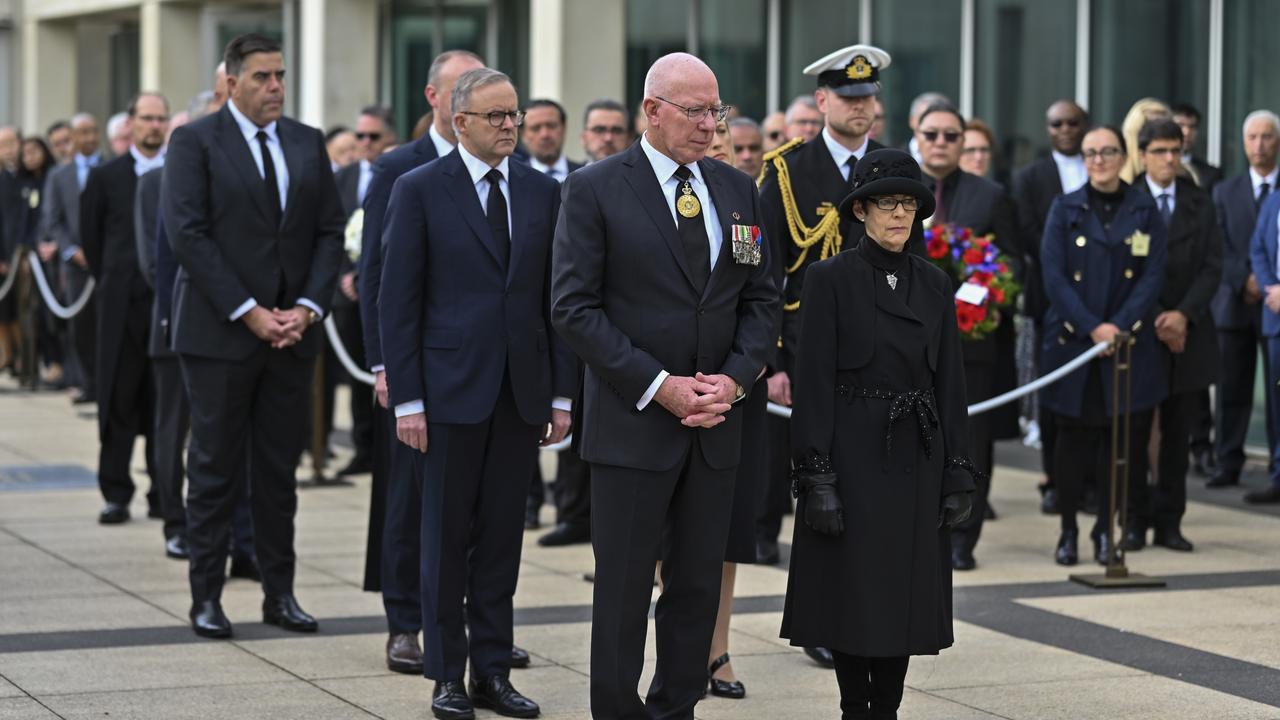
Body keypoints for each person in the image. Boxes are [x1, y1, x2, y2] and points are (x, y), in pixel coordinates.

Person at [551, 52, 779, 719]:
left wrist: (733, 381)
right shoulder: (594, 188)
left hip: (715, 424)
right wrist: (659, 385)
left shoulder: (738, 189)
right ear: (651, 111)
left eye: (717, 111)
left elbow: (762, 298)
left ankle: (678, 705)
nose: (710, 126)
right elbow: (573, 308)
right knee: (622, 590)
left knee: (696, 586)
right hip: (634, 424)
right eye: (695, 111)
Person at [380, 66, 573, 720]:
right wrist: (407, 400)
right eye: (496, 116)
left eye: (514, 114)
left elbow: (556, 302)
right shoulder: (419, 189)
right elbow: (397, 302)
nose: (511, 126)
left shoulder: (543, 191)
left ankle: (494, 670)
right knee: (443, 539)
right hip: (447, 395)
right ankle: (448, 676)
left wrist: (561, 396)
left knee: (500, 540)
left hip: (519, 395)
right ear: (460, 122)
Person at [783, 147, 977, 720]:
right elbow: (812, 382)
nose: (900, 215)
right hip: (852, 453)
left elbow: (953, 385)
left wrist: (958, 470)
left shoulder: (936, 284)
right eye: (887, 203)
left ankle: (886, 710)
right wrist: (815, 475)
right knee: (852, 590)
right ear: (861, 210)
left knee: (904, 592)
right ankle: (854, 707)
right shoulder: (829, 279)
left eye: (910, 204)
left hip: (917, 452)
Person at [162, 33, 345, 638]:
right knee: (213, 468)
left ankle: (279, 592)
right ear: (232, 82)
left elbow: (327, 231)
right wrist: (250, 311)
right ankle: (206, 596)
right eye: (263, 76)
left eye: (281, 75)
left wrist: (309, 307)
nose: (276, 87)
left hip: (292, 336)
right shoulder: (194, 141)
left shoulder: (305, 141)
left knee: (277, 472)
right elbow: (189, 235)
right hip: (220, 336)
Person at [356, 49, 515, 677]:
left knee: (493, 523)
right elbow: (381, 277)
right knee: (414, 508)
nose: (506, 123)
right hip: (427, 373)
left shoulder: (519, 178)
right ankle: (408, 625)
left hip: (500, 384)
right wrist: (385, 367)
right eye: (485, 107)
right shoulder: (404, 170)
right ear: (445, 104)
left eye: (510, 110)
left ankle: (485, 644)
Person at [757, 43, 890, 668]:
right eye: (849, 98)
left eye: (868, 98)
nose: (861, 108)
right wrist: (775, 363)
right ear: (823, 101)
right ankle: (818, 616)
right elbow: (764, 278)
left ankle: (863, 610)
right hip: (807, 354)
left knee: (870, 490)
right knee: (817, 490)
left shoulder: (894, 166)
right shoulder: (786, 171)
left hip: (881, 360)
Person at [1040, 125, 1168, 565]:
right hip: (1075, 344)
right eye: (1091, 153)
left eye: (1108, 151)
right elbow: (1054, 277)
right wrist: (1094, 327)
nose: (1099, 160)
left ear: (1122, 155)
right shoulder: (1065, 207)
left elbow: (1152, 277)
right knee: (1071, 443)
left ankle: (1101, 531)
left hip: (1125, 346)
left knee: (1116, 446)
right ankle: (1069, 531)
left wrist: (1119, 326)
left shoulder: (1144, 209)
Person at [913, 103, 1019, 570]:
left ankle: (963, 539)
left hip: (972, 344)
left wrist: (985, 294)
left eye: (950, 136)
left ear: (962, 142)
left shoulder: (990, 195)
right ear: (916, 136)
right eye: (931, 134)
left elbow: (1014, 265)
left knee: (972, 443)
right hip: (910, 342)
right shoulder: (898, 188)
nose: (940, 143)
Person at [1122, 118, 1221, 553]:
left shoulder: (1200, 201)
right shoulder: (1127, 201)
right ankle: (1133, 522)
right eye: (1159, 151)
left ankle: (1170, 521)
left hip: (1189, 330)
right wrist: (1161, 316)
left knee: (1179, 434)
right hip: (1144, 330)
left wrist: (1182, 315)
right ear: (1142, 155)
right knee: (1136, 431)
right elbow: (1126, 272)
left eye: (1175, 151)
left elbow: (1213, 265)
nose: (1169, 159)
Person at [80, 92, 169, 526]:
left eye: (160, 119)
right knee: (117, 397)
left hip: (165, 306)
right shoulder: (106, 176)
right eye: (146, 118)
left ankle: (163, 490)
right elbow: (92, 239)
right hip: (119, 306)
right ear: (131, 124)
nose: (154, 126)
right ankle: (115, 492)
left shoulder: (179, 172)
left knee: (162, 403)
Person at [1011, 99, 1089, 514]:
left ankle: (1089, 482)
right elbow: (1027, 234)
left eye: (1073, 122)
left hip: (1098, 301)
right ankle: (1055, 479)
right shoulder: (1030, 177)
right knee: (1053, 394)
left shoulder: (1100, 167)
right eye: (1057, 123)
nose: (1065, 130)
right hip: (1049, 300)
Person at [1209, 110, 1279, 491]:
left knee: (1275, 391)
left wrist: (1268, 284)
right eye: (1253, 137)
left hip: (1276, 306)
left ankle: (1276, 467)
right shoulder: (1224, 191)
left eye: (1267, 137)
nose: (1260, 145)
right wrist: (1246, 279)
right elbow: (1218, 243)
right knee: (1232, 388)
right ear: (1242, 143)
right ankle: (1228, 461)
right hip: (1235, 303)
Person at [329, 105, 396, 478]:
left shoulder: (401, 170)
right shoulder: (344, 177)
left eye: (373, 136)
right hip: (348, 293)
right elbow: (330, 229)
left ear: (388, 137)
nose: (365, 143)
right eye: (360, 136)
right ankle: (361, 446)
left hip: (385, 289)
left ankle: (386, 443)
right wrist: (345, 275)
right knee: (357, 372)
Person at [38, 113, 101, 403]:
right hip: (75, 265)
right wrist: (72, 251)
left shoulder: (110, 166)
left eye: (92, 132)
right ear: (72, 139)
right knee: (80, 327)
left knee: (107, 324)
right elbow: (53, 220)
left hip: (105, 262)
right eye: (82, 133)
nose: (88, 138)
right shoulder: (59, 176)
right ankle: (87, 382)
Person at [1248, 170, 1280, 505]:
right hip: (1276, 318)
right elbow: (1257, 248)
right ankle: (1278, 475)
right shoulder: (1273, 201)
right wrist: (1273, 288)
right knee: (1276, 404)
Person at [522, 98, 584, 181]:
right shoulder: (513, 180)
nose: (545, 135)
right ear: (523, 134)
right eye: (535, 128)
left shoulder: (585, 176)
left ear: (564, 128)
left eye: (551, 126)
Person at [1172, 103, 1222, 192]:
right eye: (1180, 125)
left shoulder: (1212, 174)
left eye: (1192, 127)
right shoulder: (1153, 168)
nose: (1186, 132)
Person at [1120, 98, 1171, 183]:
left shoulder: (1186, 176)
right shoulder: (1116, 172)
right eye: (1151, 130)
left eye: (1166, 129)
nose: (1160, 136)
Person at [906, 92, 952, 165]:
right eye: (925, 117)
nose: (934, 124)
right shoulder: (893, 157)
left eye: (939, 119)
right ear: (912, 121)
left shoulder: (959, 158)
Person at [580, 98, 630, 163]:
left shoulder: (643, 173)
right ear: (584, 138)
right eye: (599, 130)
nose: (608, 138)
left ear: (628, 138)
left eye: (616, 131)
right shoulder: (569, 172)